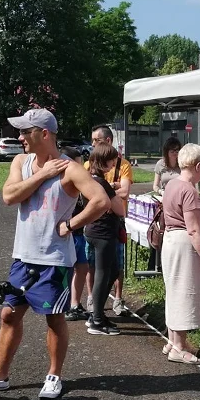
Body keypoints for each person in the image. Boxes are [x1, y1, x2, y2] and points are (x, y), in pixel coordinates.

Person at [0, 109, 110, 400]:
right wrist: (42, 174)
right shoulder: (21, 161)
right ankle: (0, 375)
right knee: (8, 315)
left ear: (44, 134)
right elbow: (8, 196)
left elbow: (101, 200)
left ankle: (54, 375)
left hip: (53, 261)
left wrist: (71, 224)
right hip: (23, 257)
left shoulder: (70, 169)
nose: (20, 137)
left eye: (25, 132)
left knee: (54, 319)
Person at [161, 143, 200, 364]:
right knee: (184, 293)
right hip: (184, 245)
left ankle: (173, 341)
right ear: (197, 166)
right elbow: (193, 229)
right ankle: (179, 347)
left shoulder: (172, 184)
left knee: (174, 291)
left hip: (172, 241)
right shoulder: (189, 191)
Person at [87, 125, 133, 316]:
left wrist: (109, 191)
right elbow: (117, 204)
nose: (92, 144)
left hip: (105, 226)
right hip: (100, 228)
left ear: (107, 142)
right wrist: (112, 190)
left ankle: (108, 305)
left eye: (96, 140)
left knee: (113, 268)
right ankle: (96, 312)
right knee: (100, 269)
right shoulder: (92, 170)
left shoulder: (122, 165)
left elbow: (125, 191)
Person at [84, 143, 127, 335]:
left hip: (95, 230)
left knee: (111, 271)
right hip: (103, 232)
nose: (113, 164)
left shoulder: (91, 179)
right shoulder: (101, 183)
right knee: (104, 273)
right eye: (111, 160)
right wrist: (115, 196)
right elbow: (120, 209)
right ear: (103, 161)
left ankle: (98, 313)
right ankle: (97, 320)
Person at [63, 148, 90, 322]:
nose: (81, 168)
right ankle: (64, 305)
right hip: (68, 233)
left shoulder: (81, 181)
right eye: (77, 164)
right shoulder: (63, 182)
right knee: (67, 270)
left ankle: (75, 304)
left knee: (82, 267)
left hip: (80, 233)